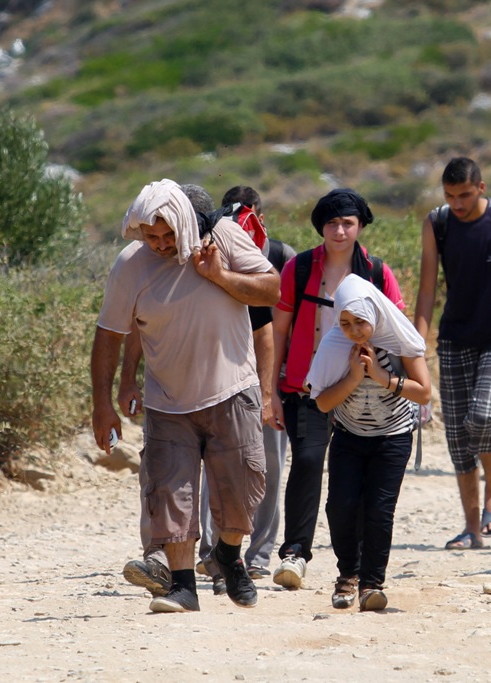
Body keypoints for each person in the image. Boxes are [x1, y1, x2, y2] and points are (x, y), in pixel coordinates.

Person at [91, 178, 279, 613]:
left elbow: (271, 289)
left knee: (241, 492)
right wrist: (103, 404)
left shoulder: (225, 237)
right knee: (169, 494)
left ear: (186, 223)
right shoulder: (130, 266)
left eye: (167, 234)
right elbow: (109, 336)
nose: (159, 244)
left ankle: (229, 556)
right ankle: (182, 587)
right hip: (167, 401)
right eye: (149, 236)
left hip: (232, 390)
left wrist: (219, 275)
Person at [271, 188, 404, 589]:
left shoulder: (378, 273)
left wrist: (402, 387)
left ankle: (358, 566)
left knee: (357, 482)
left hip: (364, 393)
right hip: (305, 388)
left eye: (348, 222)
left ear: (360, 225)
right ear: (321, 227)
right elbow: (279, 332)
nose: (340, 230)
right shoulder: (297, 269)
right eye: (332, 223)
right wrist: (270, 391)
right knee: (309, 461)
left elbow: (399, 333)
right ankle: (295, 553)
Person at [414, 157, 491, 550]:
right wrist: (417, 343)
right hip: (453, 338)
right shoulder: (438, 222)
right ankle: (471, 528)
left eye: (465, 195)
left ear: (481, 188)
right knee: (456, 438)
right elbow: (428, 288)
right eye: (450, 196)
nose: (458, 204)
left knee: (483, 417)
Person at [305, 275, 430, 611]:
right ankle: (348, 574)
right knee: (340, 507)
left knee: (378, 510)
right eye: (345, 322)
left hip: (393, 438)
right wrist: (354, 377)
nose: (353, 330)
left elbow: (424, 391)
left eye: (360, 321)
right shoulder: (335, 346)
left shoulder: (400, 339)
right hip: (348, 437)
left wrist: (380, 376)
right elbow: (323, 403)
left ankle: (372, 583)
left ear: (374, 314)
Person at [196, 186, 296, 591]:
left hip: (270, 378)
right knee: (214, 470)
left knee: (269, 466)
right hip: (220, 376)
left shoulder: (281, 257)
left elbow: (277, 326)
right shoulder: (210, 249)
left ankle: (258, 554)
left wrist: (276, 388)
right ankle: (211, 553)